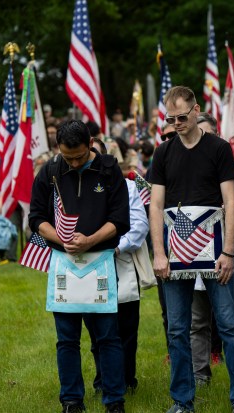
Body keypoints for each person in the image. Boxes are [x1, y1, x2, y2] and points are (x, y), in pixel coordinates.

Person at [149, 86, 234, 413]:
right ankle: (182, 401)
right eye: (170, 119)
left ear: (196, 111)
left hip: (217, 249)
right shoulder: (163, 153)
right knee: (177, 329)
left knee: (229, 325)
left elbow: (231, 201)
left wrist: (229, 251)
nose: (176, 123)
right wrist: (158, 252)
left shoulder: (218, 148)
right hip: (175, 251)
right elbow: (156, 205)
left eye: (181, 117)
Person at [28, 120, 129, 413]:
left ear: (92, 143)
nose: (72, 163)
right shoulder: (50, 172)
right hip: (64, 263)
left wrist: (90, 240)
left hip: (100, 262)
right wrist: (61, 237)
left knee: (108, 336)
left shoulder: (110, 171)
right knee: (67, 338)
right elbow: (36, 217)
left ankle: (114, 400)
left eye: (79, 157)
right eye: (66, 157)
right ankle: (71, 399)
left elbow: (120, 219)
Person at [190, 112, 234, 389]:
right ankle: (199, 377)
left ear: (217, 136)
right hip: (193, 256)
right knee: (197, 321)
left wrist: (229, 212)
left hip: (229, 253)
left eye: (207, 135)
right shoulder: (184, 169)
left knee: (233, 319)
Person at [86, 139, 149, 394]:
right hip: (88, 267)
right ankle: (103, 380)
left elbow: (138, 226)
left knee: (125, 330)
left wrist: (115, 246)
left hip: (119, 263)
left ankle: (125, 380)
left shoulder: (128, 186)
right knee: (96, 331)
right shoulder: (75, 190)